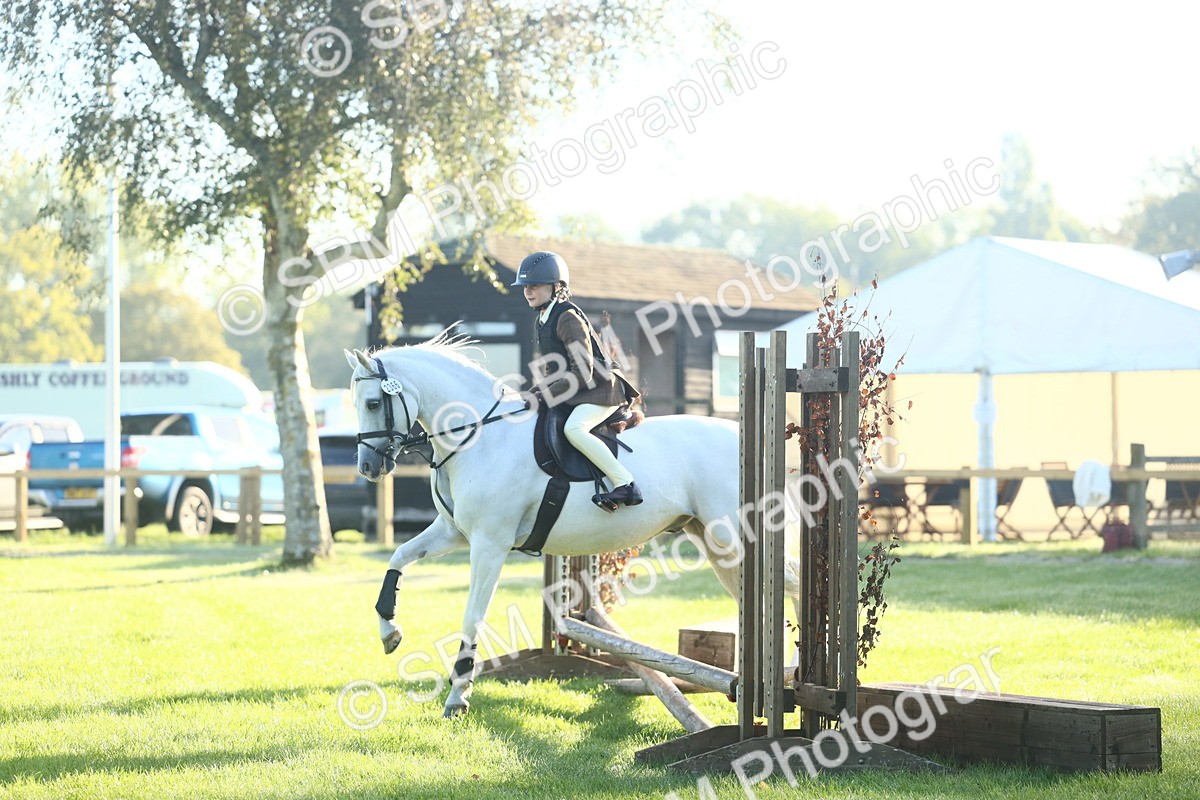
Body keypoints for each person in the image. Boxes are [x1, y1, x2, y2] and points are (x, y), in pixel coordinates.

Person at [513, 251, 643, 509]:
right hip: (582, 390)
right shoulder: (543, 318)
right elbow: (556, 370)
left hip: (602, 390)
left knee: (574, 429)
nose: (528, 291)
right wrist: (533, 391)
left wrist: (545, 396)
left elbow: (583, 371)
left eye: (535, 285)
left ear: (557, 287)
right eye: (526, 286)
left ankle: (625, 484)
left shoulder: (567, 317)